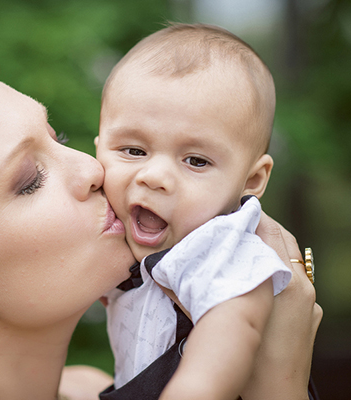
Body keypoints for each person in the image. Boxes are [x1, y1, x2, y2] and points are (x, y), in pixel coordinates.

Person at [0, 34, 321, 400]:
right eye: (29, 180)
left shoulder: (93, 385)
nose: (93, 169)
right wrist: (280, 379)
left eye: (57, 139)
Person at [95, 24, 319, 399]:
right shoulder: (117, 223)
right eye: (133, 150)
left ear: (251, 180)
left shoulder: (221, 243)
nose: (154, 176)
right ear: (99, 147)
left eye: (195, 160)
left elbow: (232, 325)